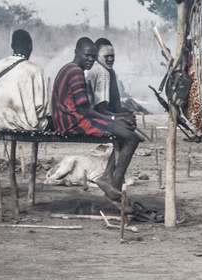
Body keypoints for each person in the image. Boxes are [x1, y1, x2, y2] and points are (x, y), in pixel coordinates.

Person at [52, 37, 138, 201]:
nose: (90, 59)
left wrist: (114, 119)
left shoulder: (67, 68)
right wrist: (113, 118)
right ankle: (113, 182)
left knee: (125, 132)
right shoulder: (76, 73)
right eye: (87, 55)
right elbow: (86, 111)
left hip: (66, 120)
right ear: (76, 52)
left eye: (93, 56)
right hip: (74, 123)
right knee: (132, 138)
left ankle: (107, 176)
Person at [0, 29, 49, 133]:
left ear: (12, 46)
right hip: (23, 125)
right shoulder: (34, 70)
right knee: (48, 121)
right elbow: (41, 107)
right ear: (30, 47)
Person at [85, 37, 125, 117]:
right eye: (106, 56)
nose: (110, 59)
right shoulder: (102, 72)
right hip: (92, 117)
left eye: (112, 56)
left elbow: (116, 106)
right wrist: (119, 117)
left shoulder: (102, 69)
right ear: (96, 56)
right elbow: (101, 110)